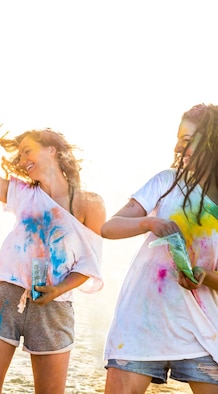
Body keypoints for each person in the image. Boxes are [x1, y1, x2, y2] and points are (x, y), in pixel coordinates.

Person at [0, 128, 106, 394]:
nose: (22, 160)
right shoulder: (23, 193)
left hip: (54, 306)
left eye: (27, 151)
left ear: (52, 150)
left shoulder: (90, 204)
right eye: (19, 154)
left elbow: (89, 265)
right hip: (4, 296)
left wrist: (58, 289)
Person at [101, 104, 218, 393]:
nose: (179, 146)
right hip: (140, 325)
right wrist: (149, 223)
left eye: (188, 139)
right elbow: (109, 227)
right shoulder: (166, 182)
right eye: (179, 138)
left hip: (202, 331)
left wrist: (203, 275)